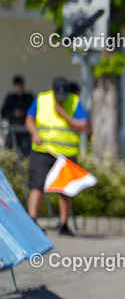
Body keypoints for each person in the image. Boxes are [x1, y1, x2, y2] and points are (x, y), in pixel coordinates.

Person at [24, 77, 89, 236]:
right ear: (51, 89)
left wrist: (64, 115)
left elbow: (83, 125)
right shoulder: (42, 99)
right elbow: (29, 119)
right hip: (43, 150)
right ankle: (32, 221)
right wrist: (34, 133)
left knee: (66, 190)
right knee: (37, 185)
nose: (61, 100)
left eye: (63, 96)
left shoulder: (74, 101)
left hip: (66, 154)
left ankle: (64, 224)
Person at [2, 75, 35, 154]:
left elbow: (33, 112)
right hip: (13, 129)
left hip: (25, 129)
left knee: (26, 152)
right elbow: (3, 112)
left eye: (20, 85)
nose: (19, 88)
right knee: (10, 152)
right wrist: (13, 113)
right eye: (17, 86)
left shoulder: (29, 97)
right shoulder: (10, 98)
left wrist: (23, 114)